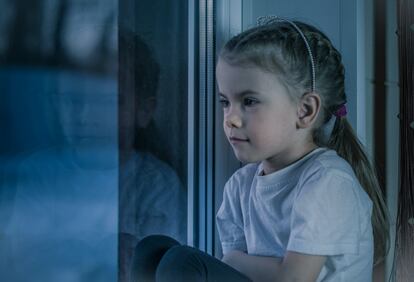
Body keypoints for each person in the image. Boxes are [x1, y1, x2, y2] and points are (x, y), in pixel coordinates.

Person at [131, 17, 389, 282]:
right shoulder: (241, 186)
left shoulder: (328, 180)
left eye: (249, 101)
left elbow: (294, 279)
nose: (230, 118)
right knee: (152, 250)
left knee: (181, 263)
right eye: (225, 102)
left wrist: (231, 260)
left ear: (305, 110)